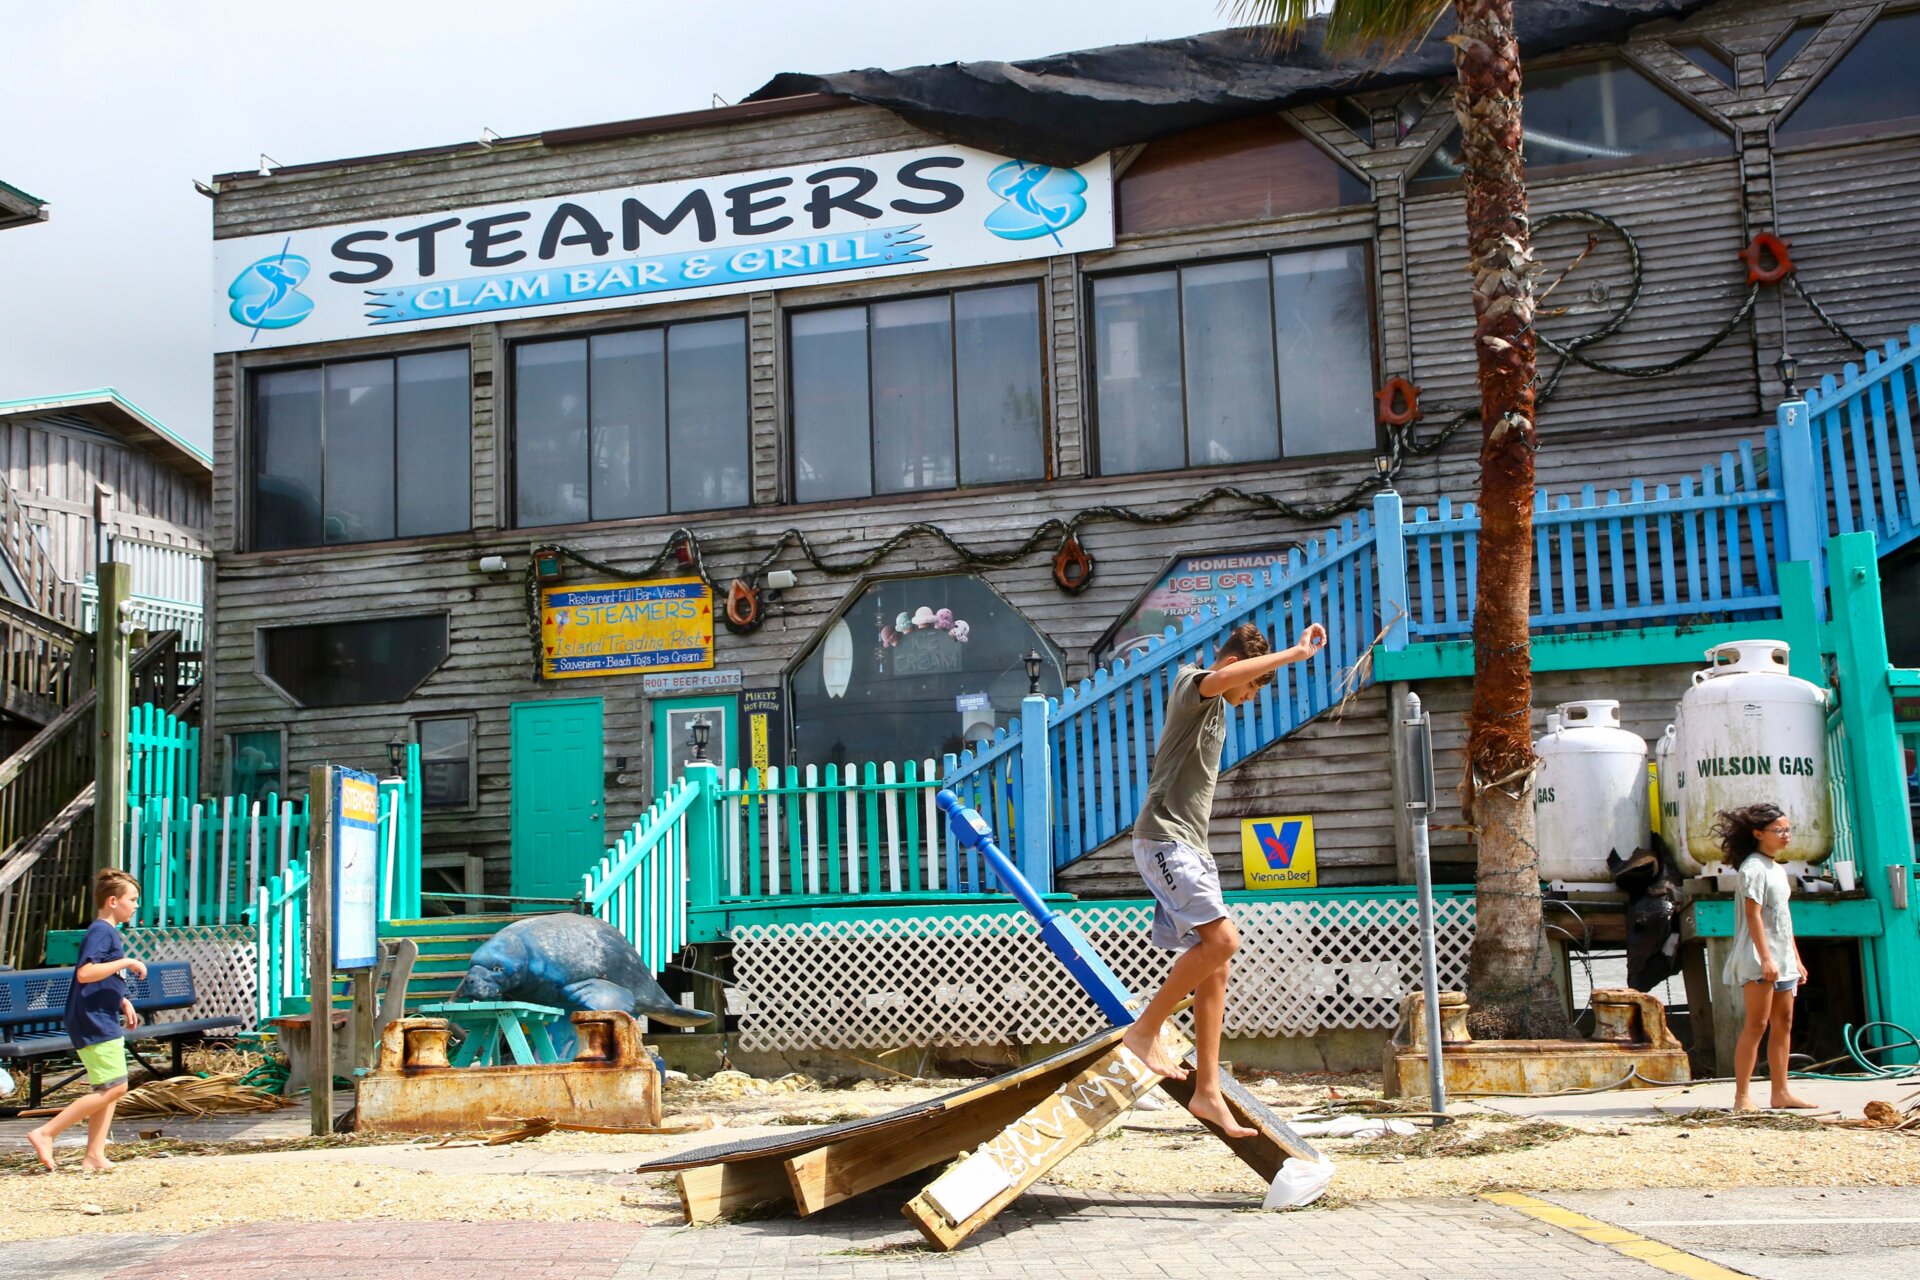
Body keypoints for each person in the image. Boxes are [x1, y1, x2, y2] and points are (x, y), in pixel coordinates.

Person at [1121, 620, 1328, 1137]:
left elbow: (1231, 685)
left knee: (1215, 963)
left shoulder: (1216, 707)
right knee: (1223, 939)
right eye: (1253, 685)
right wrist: (1295, 653)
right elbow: (1219, 681)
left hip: (1190, 846)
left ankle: (1207, 1090)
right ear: (1235, 666)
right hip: (1163, 837)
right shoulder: (1193, 685)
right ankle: (1144, 1032)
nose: (1253, 695)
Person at [25, 870, 146, 1173]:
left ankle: (94, 1154)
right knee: (116, 1087)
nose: (135, 906)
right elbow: (85, 973)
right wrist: (128, 962)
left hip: (100, 1015)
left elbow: (101, 978)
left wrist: (122, 999)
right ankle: (46, 1132)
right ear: (113, 900)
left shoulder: (108, 932)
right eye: (132, 900)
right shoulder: (101, 931)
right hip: (92, 1019)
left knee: (109, 1085)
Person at [1712, 803, 1815, 1112]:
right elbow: (1753, 916)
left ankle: (1780, 1092)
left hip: (1782, 957)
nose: (1786, 836)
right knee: (1756, 1023)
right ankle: (1742, 1096)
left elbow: (1784, 919)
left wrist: (1794, 957)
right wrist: (1767, 959)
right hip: (1759, 957)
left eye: (1788, 830)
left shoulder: (1777, 869)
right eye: (1779, 831)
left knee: (1784, 1021)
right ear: (1758, 834)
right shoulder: (1753, 868)